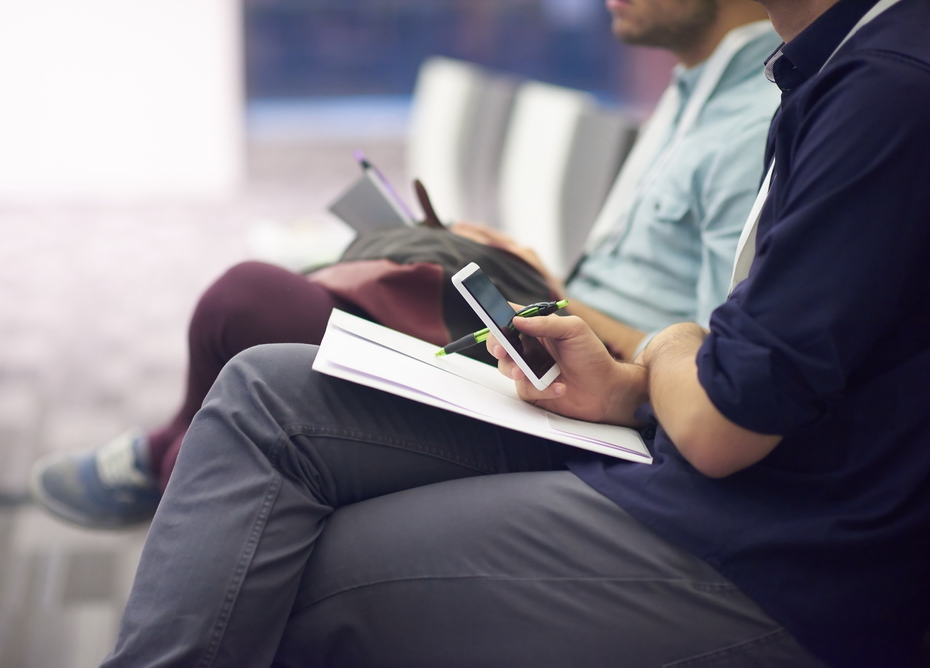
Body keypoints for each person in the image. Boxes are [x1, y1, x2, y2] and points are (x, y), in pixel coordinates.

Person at [100, 0, 930, 666]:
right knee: (261, 390)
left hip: (780, 547)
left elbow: (725, 414)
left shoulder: (881, 88)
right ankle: (162, 461)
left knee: (292, 563)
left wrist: (660, 348)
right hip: (701, 453)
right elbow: (758, 363)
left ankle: (156, 467)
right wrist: (637, 382)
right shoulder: (822, 70)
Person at [30, 0, 782, 529]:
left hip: (585, 389)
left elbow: (712, 350)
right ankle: (170, 469)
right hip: (551, 336)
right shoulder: (691, 90)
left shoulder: (751, 117)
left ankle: (163, 465)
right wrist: (548, 283)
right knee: (279, 310)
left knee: (246, 302)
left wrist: (563, 303)